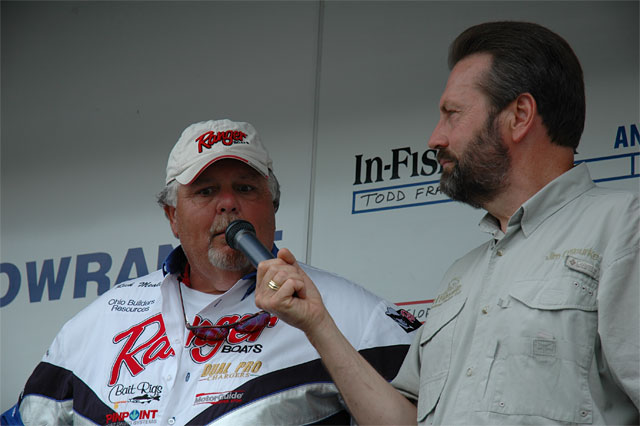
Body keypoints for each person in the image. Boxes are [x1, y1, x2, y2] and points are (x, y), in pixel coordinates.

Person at [254, 21, 640, 425]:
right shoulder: (462, 276)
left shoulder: (622, 228)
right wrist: (317, 323)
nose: (435, 138)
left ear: (520, 116)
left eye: (452, 114)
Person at [4, 119, 420, 425]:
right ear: (172, 216)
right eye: (205, 191)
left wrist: (319, 326)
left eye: (245, 188)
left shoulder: (350, 316)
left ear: (273, 205)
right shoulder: (99, 324)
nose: (228, 203)